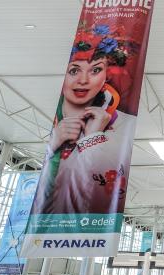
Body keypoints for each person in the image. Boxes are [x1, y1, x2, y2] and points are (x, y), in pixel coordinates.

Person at [31, 24, 137, 215]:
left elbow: (99, 195)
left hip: (89, 232)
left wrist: (92, 138)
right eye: (74, 71)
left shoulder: (123, 124)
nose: (83, 80)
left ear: (106, 75)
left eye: (95, 70)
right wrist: (53, 144)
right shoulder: (53, 124)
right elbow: (40, 200)